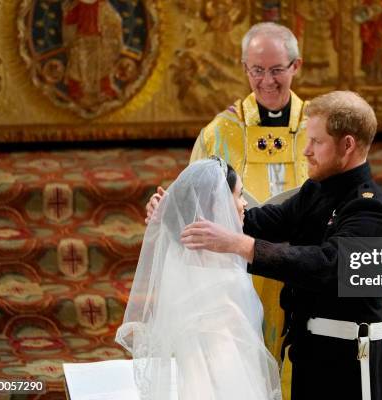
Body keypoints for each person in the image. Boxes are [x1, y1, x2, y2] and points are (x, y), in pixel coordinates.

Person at [181, 91, 382, 400]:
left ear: (347, 145)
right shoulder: (317, 191)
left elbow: (328, 265)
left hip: (349, 365)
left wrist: (243, 246)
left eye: (317, 142)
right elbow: (262, 221)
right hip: (309, 355)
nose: (306, 151)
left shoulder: (369, 209)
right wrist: (176, 214)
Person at [146, 22, 308, 392]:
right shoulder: (219, 132)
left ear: (296, 66)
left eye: (276, 70)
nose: (266, 81)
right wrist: (165, 209)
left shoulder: (319, 124)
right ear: (244, 67)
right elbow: (191, 201)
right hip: (239, 275)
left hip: (304, 267)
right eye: (256, 70)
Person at [117, 157, 281, 400]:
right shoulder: (217, 268)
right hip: (225, 372)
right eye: (239, 195)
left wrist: (171, 211)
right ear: (217, 204)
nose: (244, 203)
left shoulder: (188, 255)